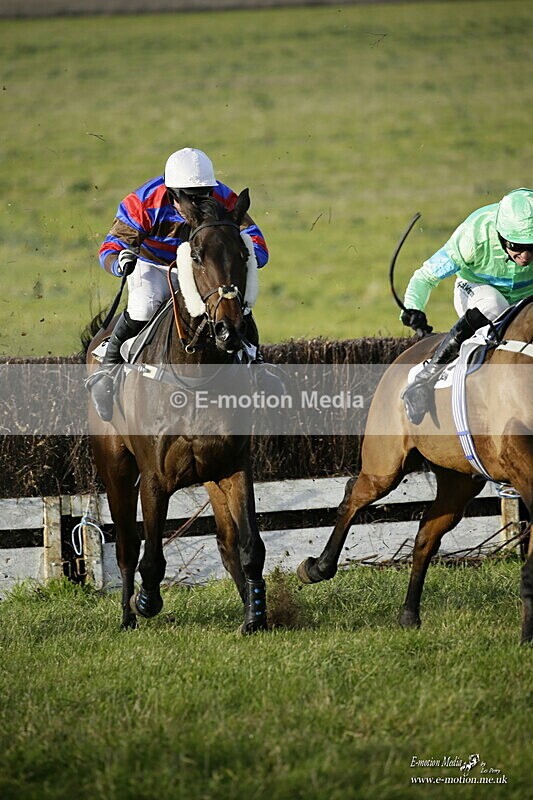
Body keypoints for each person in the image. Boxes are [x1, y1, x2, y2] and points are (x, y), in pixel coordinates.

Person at [90, 147, 269, 421]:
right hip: (154, 265)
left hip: (200, 266)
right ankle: (109, 366)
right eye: (191, 199)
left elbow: (252, 233)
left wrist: (251, 252)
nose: (198, 204)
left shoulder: (223, 197)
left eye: (204, 196)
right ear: (172, 192)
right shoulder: (143, 202)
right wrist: (119, 261)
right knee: (143, 307)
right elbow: (111, 246)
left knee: (233, 304)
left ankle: (257, 366)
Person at [400, 187, 533, 424]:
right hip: (477, 291)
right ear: (501, 235)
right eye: (516, 246)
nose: (525, 256)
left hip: (526, 299)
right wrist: (413, 307)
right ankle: (424, 378)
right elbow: (425, 277)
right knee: (494, 305)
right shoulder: (474, 235)